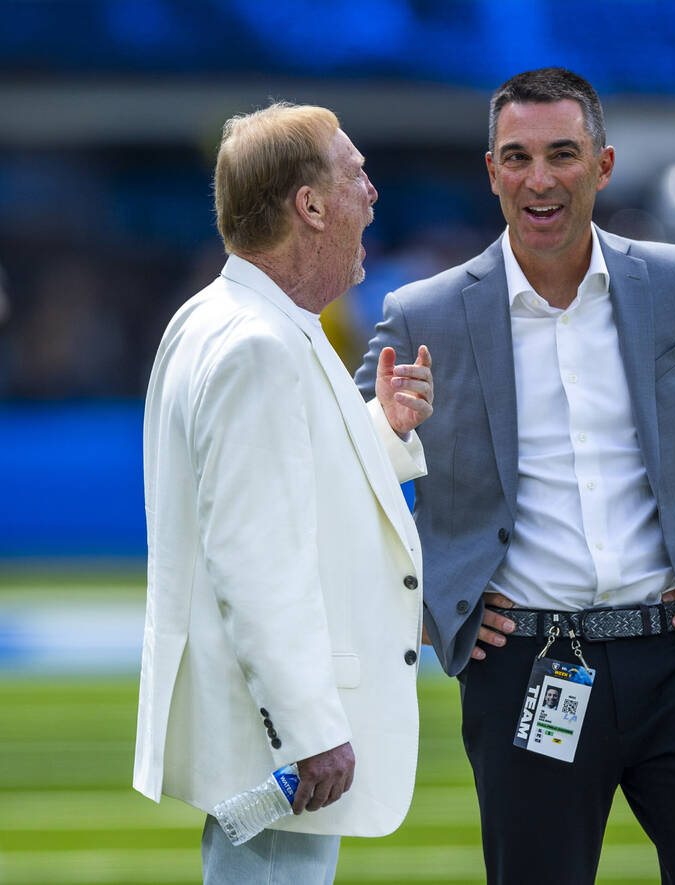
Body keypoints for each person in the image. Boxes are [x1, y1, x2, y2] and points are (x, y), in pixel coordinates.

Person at [355, 68, 675, 884]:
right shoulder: (423, 313)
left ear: (603, 166)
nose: (540, 179)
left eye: (563, 154)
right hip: (526, 665)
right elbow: (347, 476)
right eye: (518, 157)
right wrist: (429, 601)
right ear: (492, 170)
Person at [134, 102, 434, 884]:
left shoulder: (222, 318)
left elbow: (279, 485)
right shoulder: (261, 343)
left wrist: (382, 430)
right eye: (356, 175)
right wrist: (307, 726)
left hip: (258, 723)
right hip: (278, 736)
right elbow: (252, 554)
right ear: (309, 205)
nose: (372, 194)